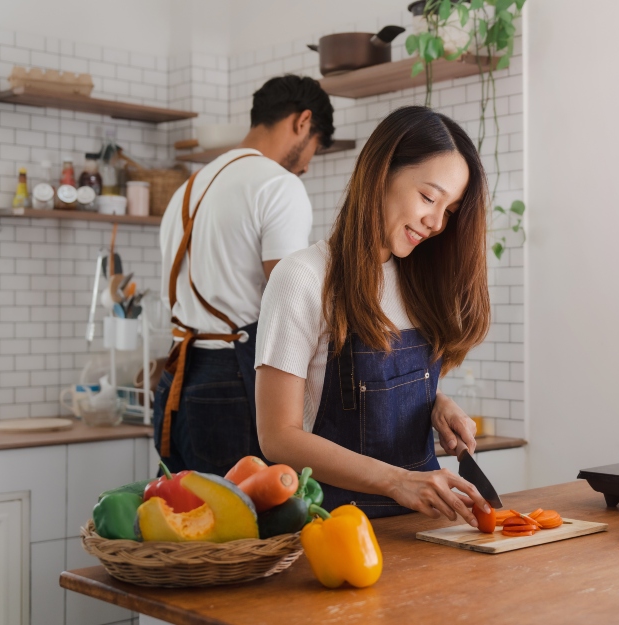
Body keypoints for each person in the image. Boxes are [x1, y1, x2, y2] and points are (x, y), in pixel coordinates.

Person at [254, 106, 493, 526]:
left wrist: (437, 403)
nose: (436, 222)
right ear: (381, 173)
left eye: (449, 211)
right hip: (337, 531)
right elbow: (278, 436)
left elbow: (379, 391)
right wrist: (397, 481)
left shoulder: (418, 278)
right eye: (428, 197)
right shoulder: (303, 278)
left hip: (424, 527)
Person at [153, 74, 334, 475]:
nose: (306, 166)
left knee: (182, 523)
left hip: (176, 381)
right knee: (241, 530)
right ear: (303, 122)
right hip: (230, 382)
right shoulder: (278, 185)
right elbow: (293, 297)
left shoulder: (189, 187)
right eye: (315, 150)